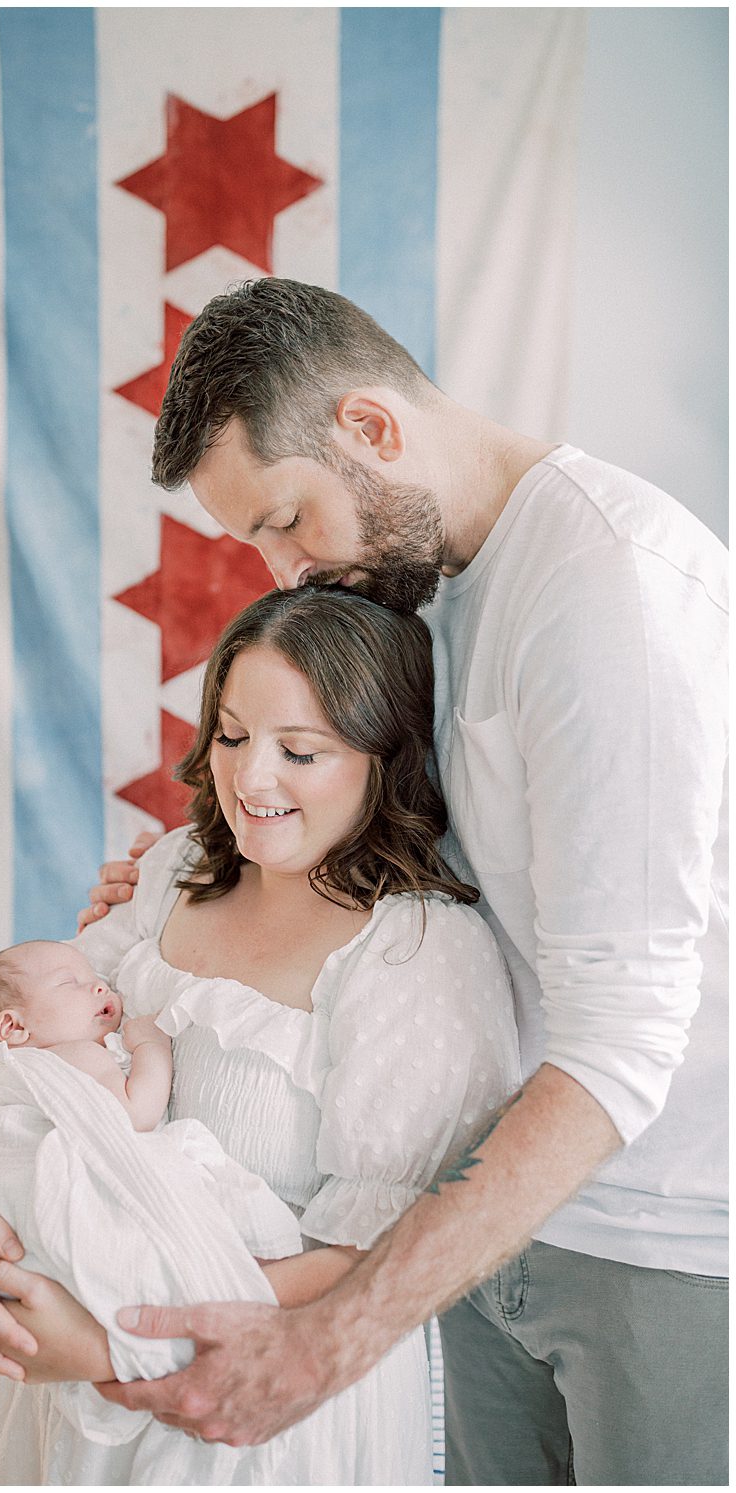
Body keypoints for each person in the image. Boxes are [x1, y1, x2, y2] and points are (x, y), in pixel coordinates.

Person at [69, 281, 728, 1485]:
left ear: (371, 429)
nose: (284, 568)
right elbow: (390, 823)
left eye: (287, 518)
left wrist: (331, 1337)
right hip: (480, 1217)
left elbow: (626, 1035)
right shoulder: (423, 586)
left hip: (661, 1234)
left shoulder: (606, 590)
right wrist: (185, 879)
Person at [0, 586, 521, 1484]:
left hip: (262, 1399)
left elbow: (374, 1249)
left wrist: (122, 1330)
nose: (250, 780)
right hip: (78, 1383)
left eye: (300, 750)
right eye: (230, 736)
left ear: (385, 757)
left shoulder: (415, 953)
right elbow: (25, 1044)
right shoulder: (168, 877)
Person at [0, 939, 305, 1481]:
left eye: (96, 976)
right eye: (71, 983)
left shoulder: (26, 1068)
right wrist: (150, 1047)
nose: (99, 985)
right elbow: (134, 1114)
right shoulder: (70, 1055)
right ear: (14, 1029)